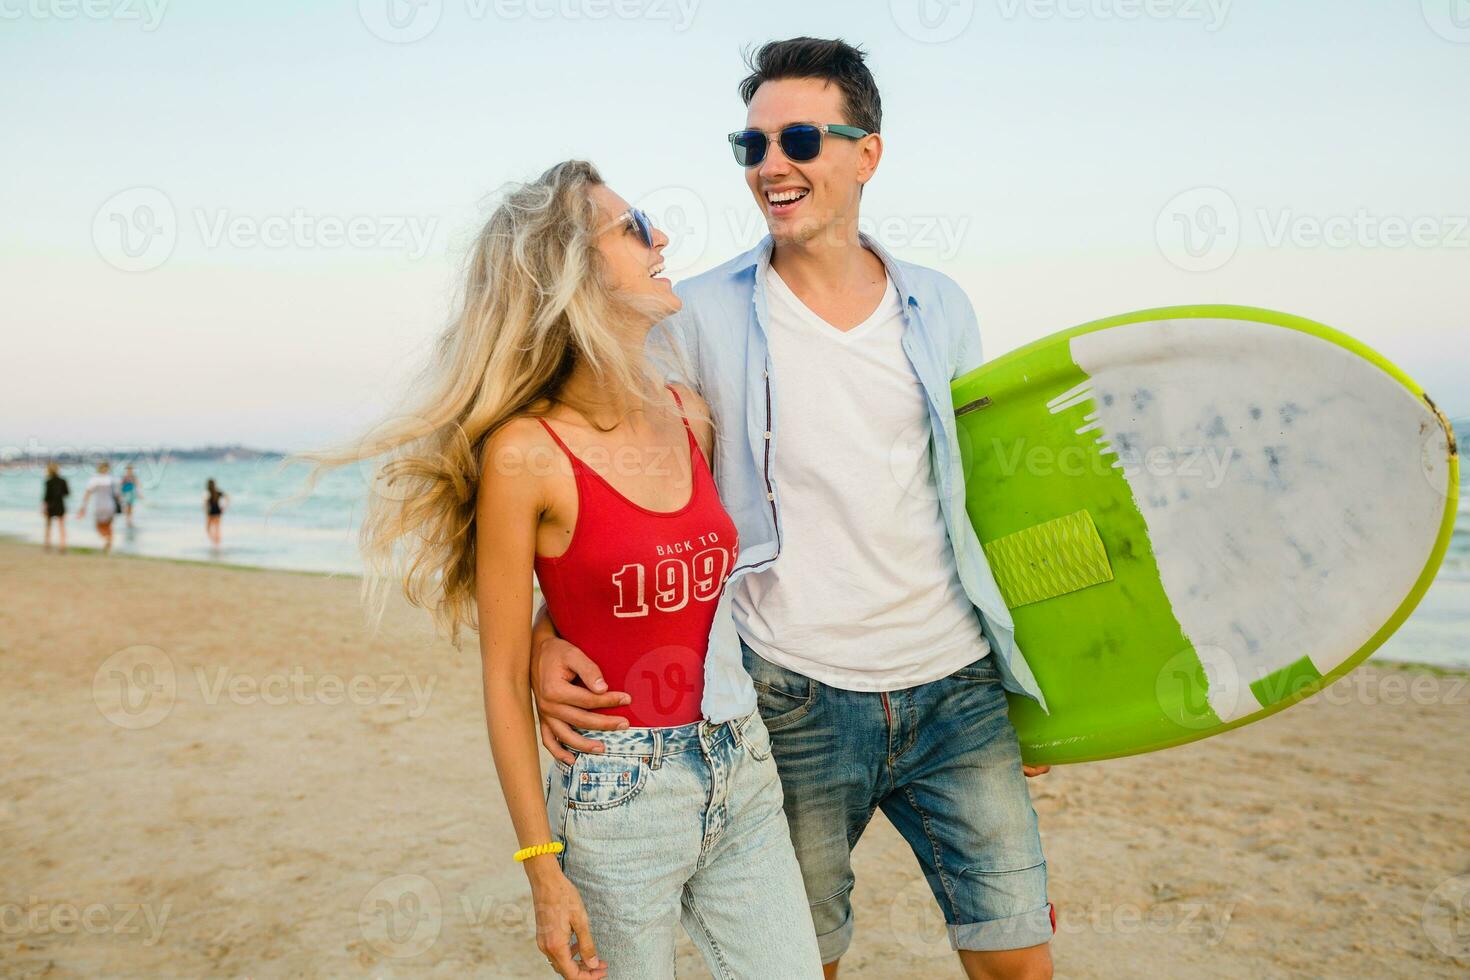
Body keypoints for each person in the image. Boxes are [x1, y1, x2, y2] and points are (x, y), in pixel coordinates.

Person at [531, 38, 1056, 979]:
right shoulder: (690, 316)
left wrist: (1032, 676)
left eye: (802, 138)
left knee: (1017, 952)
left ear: (868, 153)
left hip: (959, 688)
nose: (773, 164)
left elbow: (988, 502)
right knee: (799, 960)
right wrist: (546, 632)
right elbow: (627, 498)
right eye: (754, 144)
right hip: (791, 696)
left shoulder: (941, 306)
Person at [295, 161, 821, 979]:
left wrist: (555, 628)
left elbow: (679, 585)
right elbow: (502, 682)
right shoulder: (524, 458)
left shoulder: (691, 415)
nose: (662, 238)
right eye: (635, 225)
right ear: (571, 272)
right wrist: (543, 869)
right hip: (618, 795)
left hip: (740, 762)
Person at [76, 461, 119, 554]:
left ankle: (106, 540)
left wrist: (83, 507)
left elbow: (87, 493)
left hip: (99, 505)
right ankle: (109, 543)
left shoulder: (94, 479)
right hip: (110, 505)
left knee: (98, 526)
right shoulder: (112, 479)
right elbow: (117, 495)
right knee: (109, 526)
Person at [42, 462, 69, 553]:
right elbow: (67, 493)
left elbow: (46, 496)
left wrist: (44, 507)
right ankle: (62, 545)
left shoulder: (48, 481)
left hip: (51, 505)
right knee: (61, 526)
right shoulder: (63, 481)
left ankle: (47, 545)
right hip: (60, 505)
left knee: (48, 526)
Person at [204, 479, 228, 547]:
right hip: (218, 511)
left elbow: (205, 505)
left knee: (208, 528)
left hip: (211, 512)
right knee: (217, 529)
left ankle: (214, 541)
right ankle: (217, 543)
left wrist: (206, 513)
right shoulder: (218, 492)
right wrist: (224, 507)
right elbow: (228, 498)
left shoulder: (208, 493)